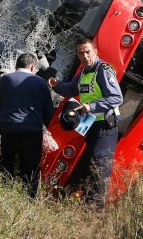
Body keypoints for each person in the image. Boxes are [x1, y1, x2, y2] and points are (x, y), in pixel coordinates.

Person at [48, 37, 124, 206]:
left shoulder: (103, 70)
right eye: (81, 53)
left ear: (95, 52)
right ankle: (85, 203)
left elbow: (117, 98)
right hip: (93, 126)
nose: (85, 56)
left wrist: (92, 106)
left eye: (88, 52)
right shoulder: (83, 72)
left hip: (106, 125)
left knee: (100, 163)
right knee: (90, 163)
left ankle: (96, 210)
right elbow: (70, 89)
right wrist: (56, 84)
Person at [0, 52, 56, 198]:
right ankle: (29, 199)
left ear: (17, 65)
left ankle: (5, 194)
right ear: (32, 67)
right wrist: (46, 126)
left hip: (9, 128)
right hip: (32, 131)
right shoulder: (41, 82)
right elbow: (48, 110)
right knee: (31, 167)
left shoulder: (6, 79)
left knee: (7, 162)